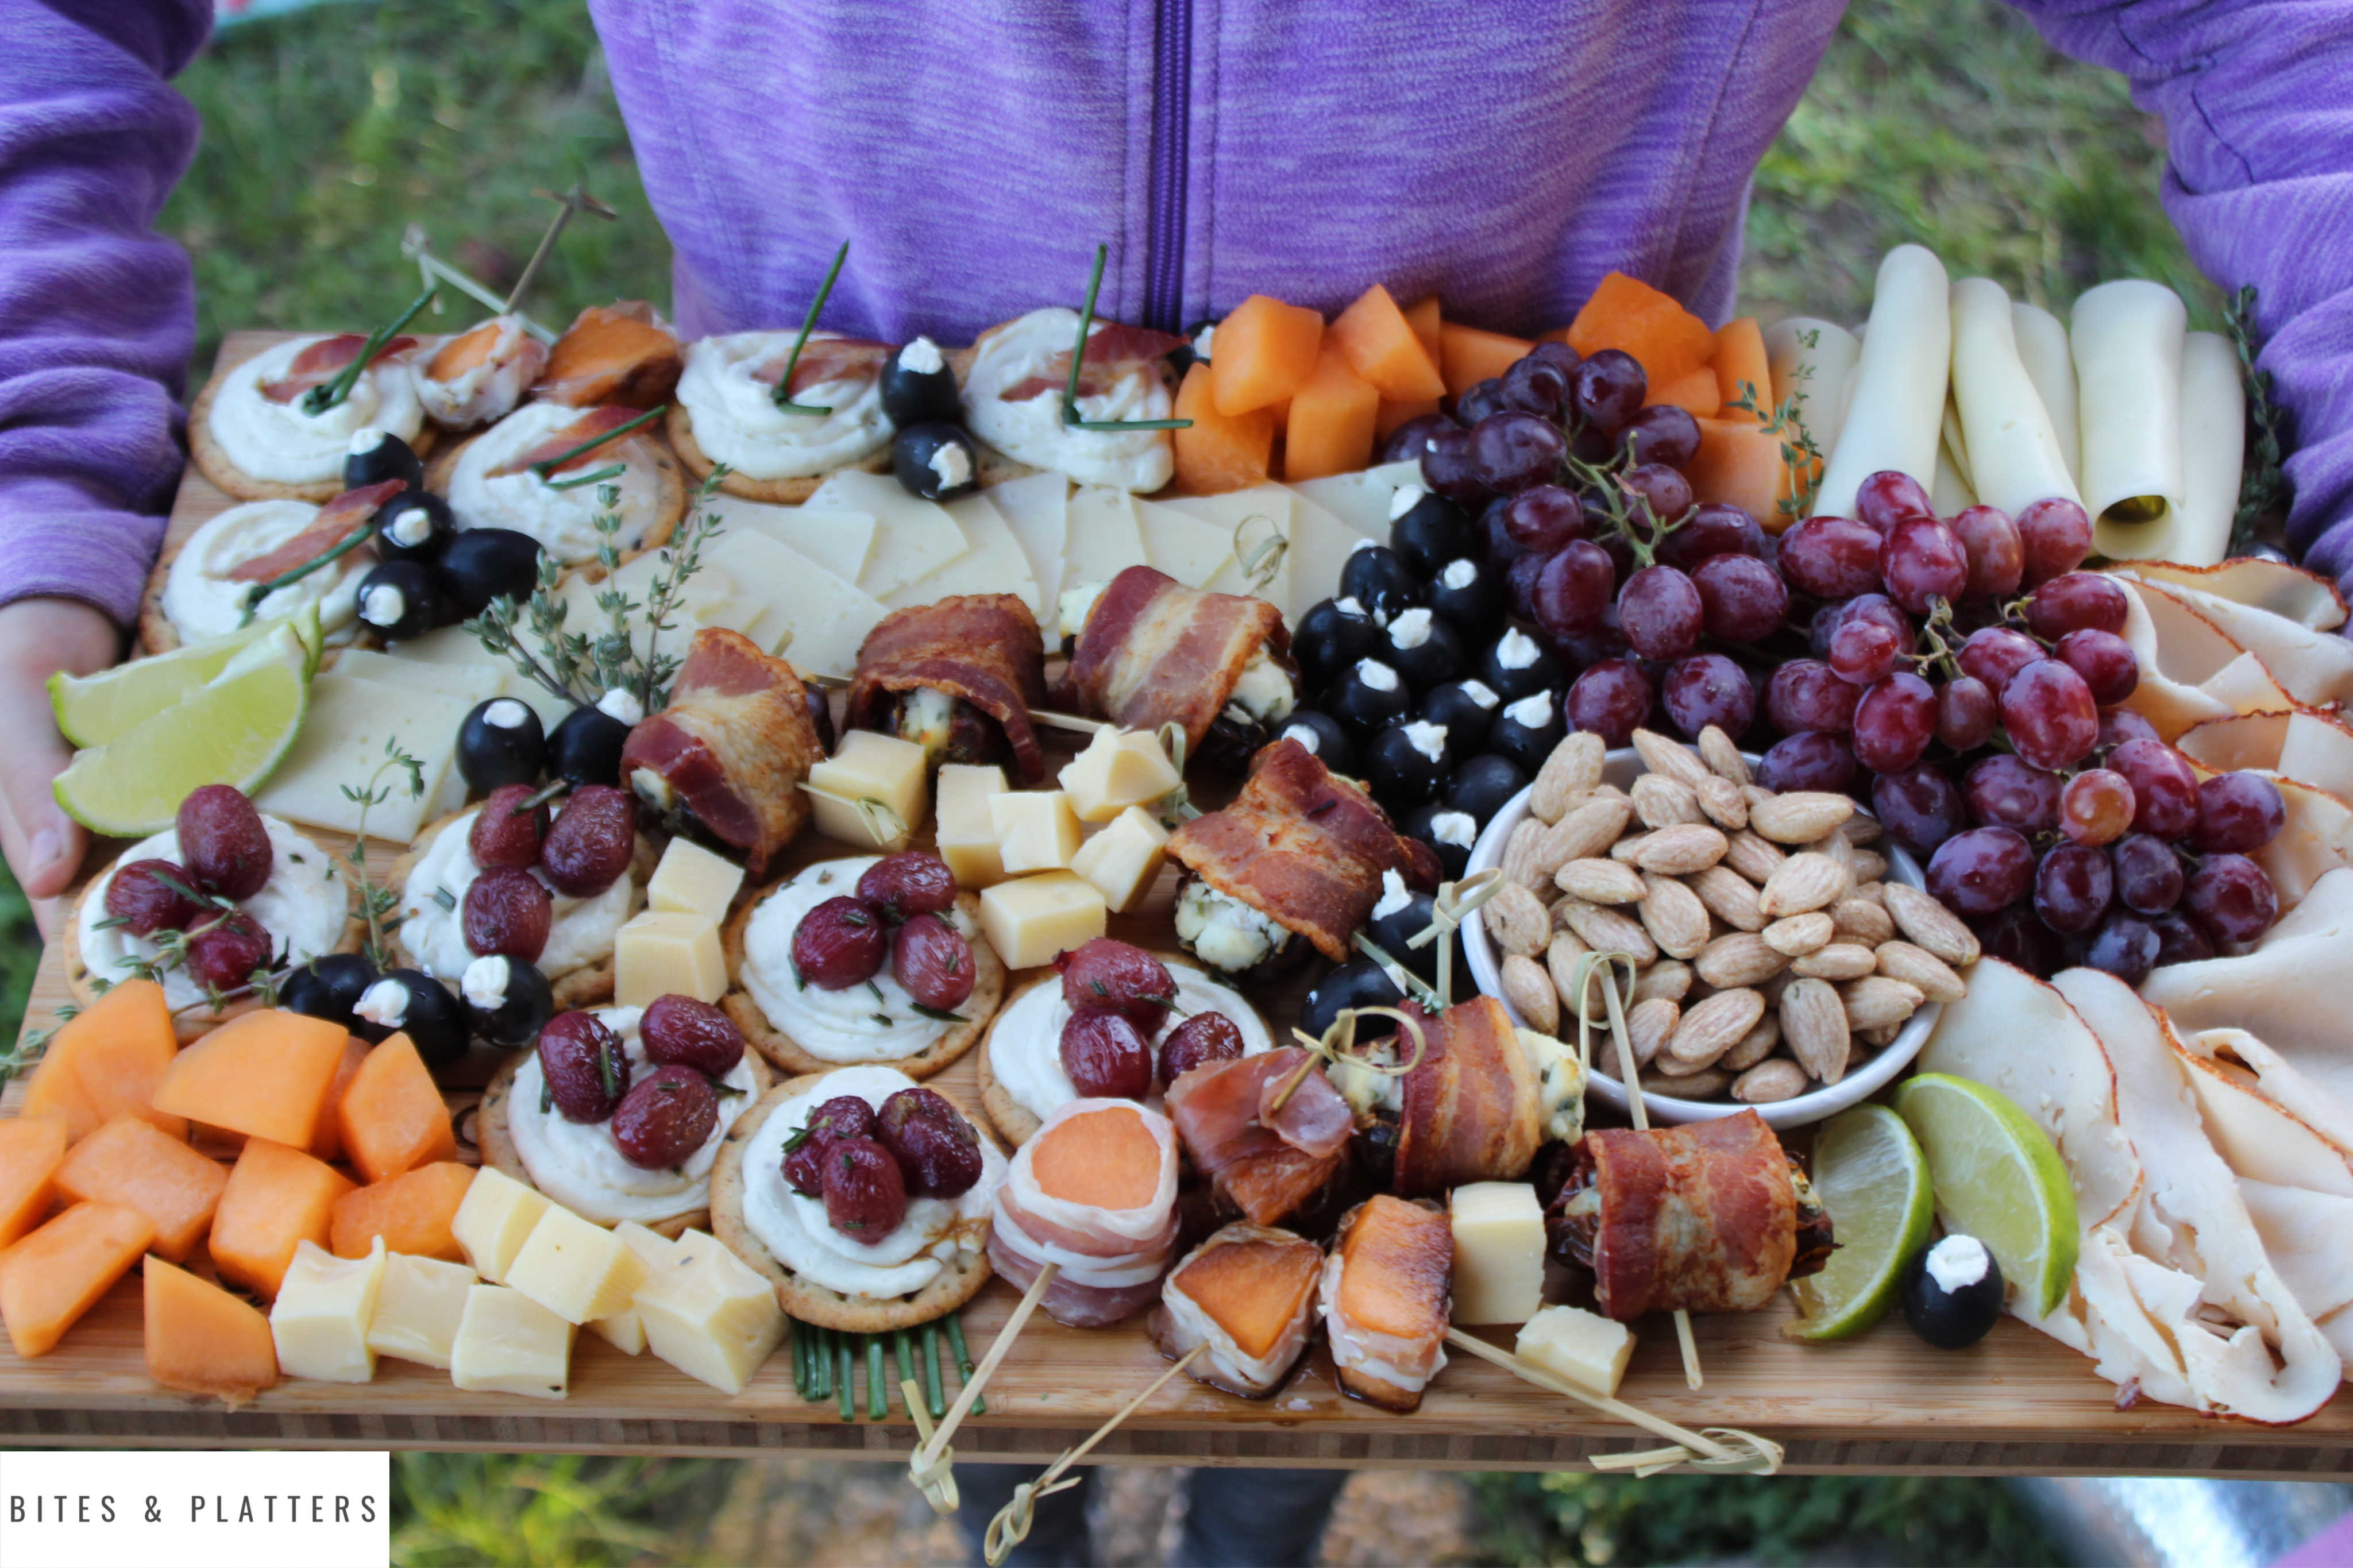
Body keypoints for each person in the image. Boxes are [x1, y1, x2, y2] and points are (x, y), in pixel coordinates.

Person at [0, 3, 2347, 1560]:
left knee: (1295, 1317)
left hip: (1528, 530)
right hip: (819, 545)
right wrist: (31, 456)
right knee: (1001, 1274)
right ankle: (1017, 1483)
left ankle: (1257, 1511)